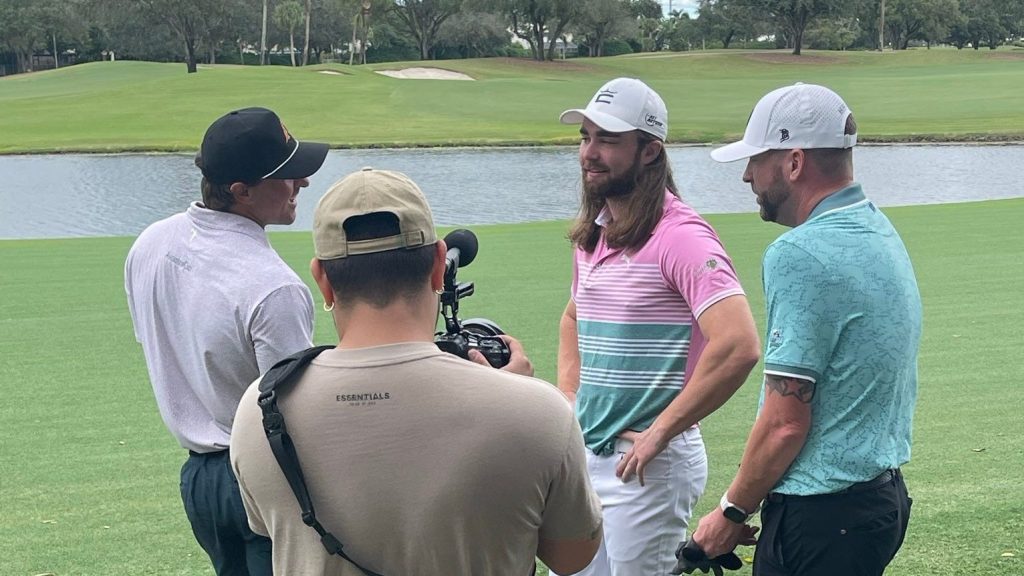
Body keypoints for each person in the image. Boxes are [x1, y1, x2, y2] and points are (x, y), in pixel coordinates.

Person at [229, 167, 604, 576]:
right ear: (439, 265)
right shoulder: (538, 412)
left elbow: (269, 527)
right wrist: (508, 396)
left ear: (323, 279)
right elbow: (572, 557)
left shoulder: (260, 408)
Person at [690, 83, 922, 576]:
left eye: (756, 161)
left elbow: (785, 423)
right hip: (878, 502)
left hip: (821, 519)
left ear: (794, 163)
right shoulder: (876, 227)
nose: (747, 176)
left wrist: (730, 512)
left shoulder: (799, 254)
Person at [556, 77, 761, 576]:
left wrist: (661, 432)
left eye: (608, 140)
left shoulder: (680, 236)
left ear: (649, 152)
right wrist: (569, 403)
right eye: (586, 137)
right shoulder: (595, 235)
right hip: (591, 455)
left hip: (649, 466)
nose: (590, 153)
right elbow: (572, 317)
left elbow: (738, 344)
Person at [124, 107, 329, 576]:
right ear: (241, 191)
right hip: (261, 482)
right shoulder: (274, 287)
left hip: (199, 482)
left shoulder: (152, 242)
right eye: (287, 174)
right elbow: (291, 417)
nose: (303, 183)